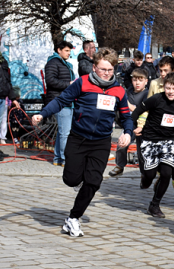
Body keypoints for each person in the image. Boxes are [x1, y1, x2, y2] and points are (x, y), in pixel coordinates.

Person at [30, 48, 132, 237]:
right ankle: (80, 179)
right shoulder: (82, 83)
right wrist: (42, 114)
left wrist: (127, 133)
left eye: (110, 70)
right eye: (103, 69)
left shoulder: (118, 90)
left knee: (94, 181)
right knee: (71, 179)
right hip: (78, 138)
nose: (107, 73)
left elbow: (126, 116)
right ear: (94, 67)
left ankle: (73, 218)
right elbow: (60, 101)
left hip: (101, 141)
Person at [131, 71, 174, 218]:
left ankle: (154, 205)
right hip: (150, 140)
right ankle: (145, 179)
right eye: (168, 88)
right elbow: (138, 111)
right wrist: (132, 128)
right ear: (164, 87)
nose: (171, 92)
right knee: (150, 174)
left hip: (169, 142)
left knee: (166, 174)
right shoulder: (156, 99)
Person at [109, 68, 149, 177]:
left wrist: (129, 105)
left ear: (146, 81)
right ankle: (119, 166)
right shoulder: (129, 91)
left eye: (140, 80)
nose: (137, 83)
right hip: (130, 124)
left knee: (142, 151)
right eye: (135, 80)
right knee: (121, 143)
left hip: (143, 125)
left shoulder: (147, 93)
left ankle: (144, 174)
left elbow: (143, 109)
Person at [45, 40, 76, 167]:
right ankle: (64, 158)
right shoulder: (53, 63)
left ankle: (58, 158)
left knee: (62, 131)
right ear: (59, 50)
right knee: (65, 132)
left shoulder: (66, 64)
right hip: (59, 100)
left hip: (66, 100)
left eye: (70, 51)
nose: (69, 53)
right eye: (66, 50)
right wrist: (68, 84)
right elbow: (50, 81)